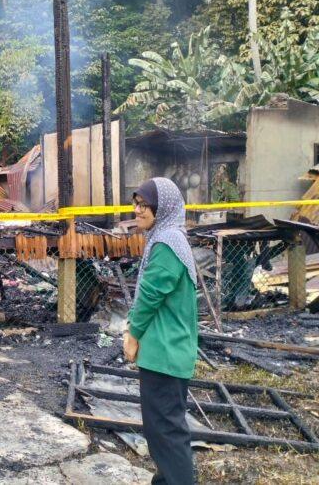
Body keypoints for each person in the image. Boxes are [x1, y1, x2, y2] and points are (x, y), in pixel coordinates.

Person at [123, 177, 198, 485]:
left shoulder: (167, 242)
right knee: (161, 430)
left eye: (144, 205)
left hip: (165, 353)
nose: (138, 210)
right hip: (166, 350)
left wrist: (132, 334)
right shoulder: (166, 236)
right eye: (136, 204)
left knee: (166, 431)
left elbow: (151, 294)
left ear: (162, 206)